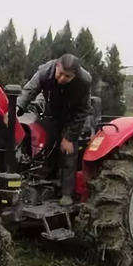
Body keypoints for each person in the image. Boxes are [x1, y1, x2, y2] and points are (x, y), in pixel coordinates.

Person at [16, 54, 93, 206]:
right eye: (61, 74)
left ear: (75, 75)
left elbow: (84, 110)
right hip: (51, 113)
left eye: (68, 76)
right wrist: (17, 108)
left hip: (73, 118)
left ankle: (66, 194)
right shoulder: (45, 71)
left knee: (68, 152)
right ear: (57, 66)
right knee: (46, 146)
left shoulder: (84, 81)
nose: (63, 78)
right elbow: (30, 89)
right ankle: (45, 183)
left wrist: (70, 137)